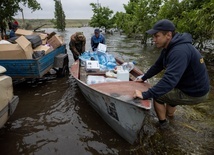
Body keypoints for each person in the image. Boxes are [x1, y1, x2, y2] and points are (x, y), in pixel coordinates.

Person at [133, 19, 210, 128]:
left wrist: (145, 94)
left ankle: (163, 124)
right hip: (187, 86)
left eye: (157, 36)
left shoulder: (179, 51)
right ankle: (170, 116)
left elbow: (169, 80)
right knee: (169, 94)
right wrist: (144, 77)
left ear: (168, 35)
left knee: (158, 96)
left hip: (195, 93)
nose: (154, 40)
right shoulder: (169, 47)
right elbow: (158, 66)